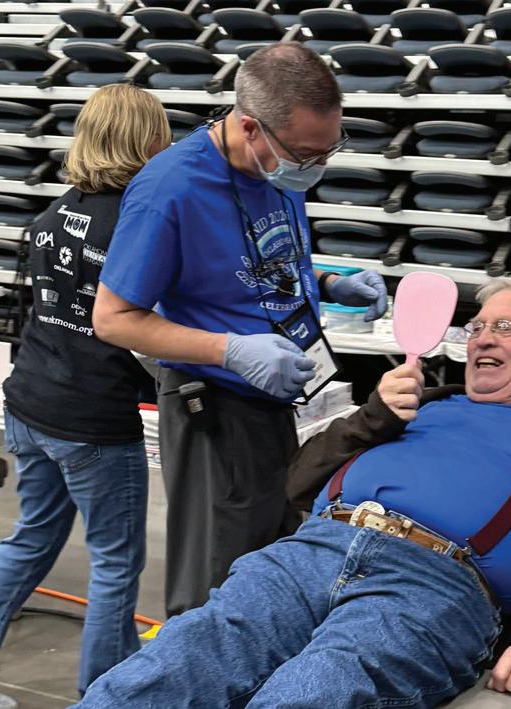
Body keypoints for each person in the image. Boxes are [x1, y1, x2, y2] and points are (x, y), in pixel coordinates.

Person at [73, 277, 511, 709]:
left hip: (434, 584)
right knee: (163, 671)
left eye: (504, 327)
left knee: (312, 694)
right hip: (311, 551)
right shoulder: (416, 405)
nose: (482, 337)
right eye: (476, 327)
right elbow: (298, 480)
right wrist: (372, 417)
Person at [91, 42, 388, 617]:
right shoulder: (170, 189)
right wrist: (229, 350)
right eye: (306, 153)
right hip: (217, 411)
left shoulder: (272, 167)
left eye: (329, 150)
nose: (316, 167)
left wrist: (328, 283)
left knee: (270, 563)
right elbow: (113, 318)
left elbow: (249, 260)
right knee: (216, 585)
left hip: (276, 399)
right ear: (250, 127)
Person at [0, 84, 171, 709]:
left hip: (30, 403)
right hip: (91, 420)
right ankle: (105, 695)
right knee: (115, 561)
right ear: (148, 142)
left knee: (31, 536)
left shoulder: (53, 215)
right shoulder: (136, 226)